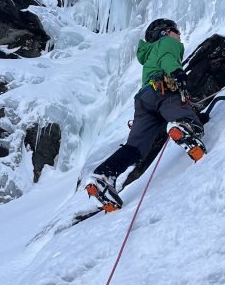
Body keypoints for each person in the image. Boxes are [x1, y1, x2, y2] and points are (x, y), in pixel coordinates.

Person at [86, 19, 205, 209]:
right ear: (165, 32)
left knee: (135, 148)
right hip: (162, 92)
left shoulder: (149, 53)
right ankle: (185, 128)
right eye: (176, 31)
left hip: (143, 100)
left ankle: (103, 177)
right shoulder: (168, 43)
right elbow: (167, 57)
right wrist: (177, 73)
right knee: (189, 121)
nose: (179, 35)